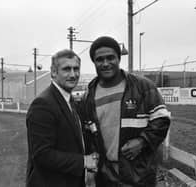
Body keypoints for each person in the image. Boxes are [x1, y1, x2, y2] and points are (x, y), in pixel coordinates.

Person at [78, 36, 171, 187]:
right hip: (105, 176)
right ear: (94, 62)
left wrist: (142, 141)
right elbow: (88, 137)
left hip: (138, 175)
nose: (106, 63)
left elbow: (162, 120)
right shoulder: (88, 96)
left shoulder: (142, 87)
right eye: (100, 59)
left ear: (119, 58)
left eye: (110, 58)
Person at [26, 49, 98, 187]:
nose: (73, 74)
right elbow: (42, 154)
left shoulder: (71, 101)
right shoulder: (43, 104)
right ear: (53, 72)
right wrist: (83, 161)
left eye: (76, 69)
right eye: (66, 69)